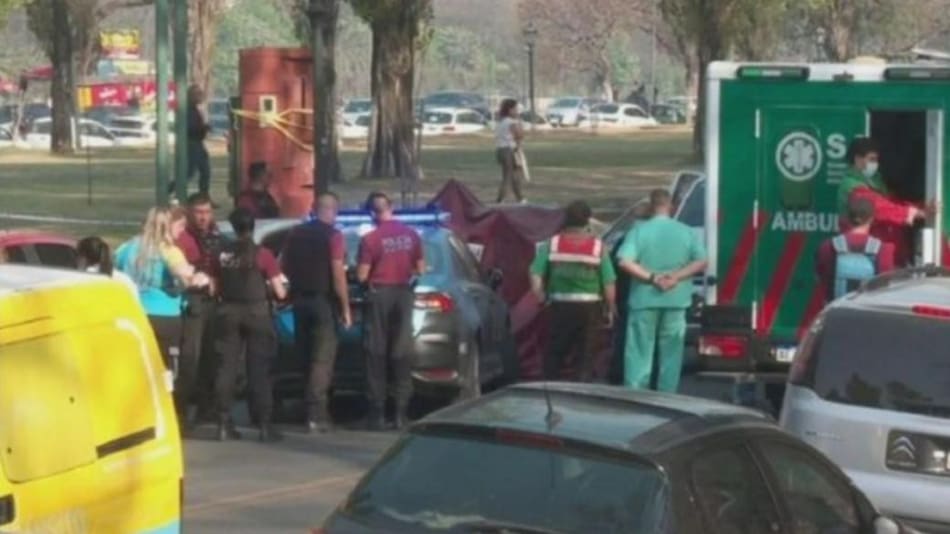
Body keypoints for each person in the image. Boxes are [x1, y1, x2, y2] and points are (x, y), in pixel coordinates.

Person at [616, 189, 707, 392]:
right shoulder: (686, 231)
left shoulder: (639, 231)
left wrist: (652, 277)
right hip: (676, 300)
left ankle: (636, 393)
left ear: (651, 206)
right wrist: (676, 277)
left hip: (644, 299)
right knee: (671, 353)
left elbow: (624, 261)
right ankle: (667, 394)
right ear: (671, 207)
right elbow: (701, 261)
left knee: (639, 351)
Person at [212, 208, 287, 442]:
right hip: (256, 313)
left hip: (227, 312)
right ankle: (264, 425)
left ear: (233, 228)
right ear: (252, 227)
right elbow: (280, 292)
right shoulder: (262, 255)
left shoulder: (221, 254)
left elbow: (214, 287)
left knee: (226, 368)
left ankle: (223, 422)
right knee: (259, 369)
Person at [282, 192, 352, 433]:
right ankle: (316, 414)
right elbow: (338, 274)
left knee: (305, 355)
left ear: (314, 208)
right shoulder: (334, 236)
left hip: (299, 302)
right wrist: (345, 308)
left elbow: (283, 264)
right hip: (323, 303)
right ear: (334, 210)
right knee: (322, 360)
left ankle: (307, 408)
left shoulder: (295, 233)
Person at [115, 207, 210, 385]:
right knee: (166, 369)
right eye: (179, 227)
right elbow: (184, 277)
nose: (182, 231)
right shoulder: (169, 251)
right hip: (165, 316)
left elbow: (113, 272)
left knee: (139, 367)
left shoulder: (127, 248)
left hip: (135, 314)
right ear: (167, 226)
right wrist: (198, 278)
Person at [357, 192, 425, 431]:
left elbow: (362, 275)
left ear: (371, 213)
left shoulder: (370, 240)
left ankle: (376, 415)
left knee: (376, 353)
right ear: (391, 207)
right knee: (401, 353)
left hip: (380, 295)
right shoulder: (412, 234)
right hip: (404, 294)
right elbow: (420, 268)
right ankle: (400, 414)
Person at [530, 200, 617, 382]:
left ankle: (551, 388)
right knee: (585, 355)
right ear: (587, 220)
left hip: (559, 305)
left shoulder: (552, 244)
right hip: (590, 308)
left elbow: (535, 272)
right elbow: (608, 282)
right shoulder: (597, 247)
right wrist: (610, 308)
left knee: (555, 352)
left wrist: (540, 295)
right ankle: (580, 390)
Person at [838, 137, 929, 267]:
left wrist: (921, 207)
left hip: (884, 251)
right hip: (865, 255)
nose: (875, 164)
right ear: (858, 159)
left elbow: (892, 203)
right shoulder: (852, 186)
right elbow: (880, 208)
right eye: (871, 159)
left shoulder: (875, 181)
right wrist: (914, 213)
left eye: (876, 160)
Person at [176, 192, 223, 427]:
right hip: (193, 301)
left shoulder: (216, 235)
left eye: (207, 212)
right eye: (199, 213)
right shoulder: (183, 238)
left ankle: (206, 408)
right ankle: (181, 411)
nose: (204, 217)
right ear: (189, 213)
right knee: (190, 357)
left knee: (210, 357)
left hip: (214, 302)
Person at [817, 197, 895, 301]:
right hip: (868, 312)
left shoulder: (828, 246)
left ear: (847, 218)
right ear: (872, 219)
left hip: (837, 310)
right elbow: (885, 284)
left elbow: (821, 278)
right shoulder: (884, 249)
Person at [169, 85, 211, 198]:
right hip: (191, 144)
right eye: (198, 94)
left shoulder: (195, 109)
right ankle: (168, 190)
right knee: (188, 173)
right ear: (190, 96)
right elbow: (188, 128)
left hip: (198, 143)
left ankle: (204, 196)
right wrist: (204, 128)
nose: (200, 96)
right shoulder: (187, 110)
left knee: (205, 171)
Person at [495, 98, 526, 204]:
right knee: (509, 176)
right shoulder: (511, 122)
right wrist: (519, 123)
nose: (517, 111)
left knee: (512, 175)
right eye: (515, 109)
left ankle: (520, 198)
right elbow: (519, 135)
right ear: (510, 110)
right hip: (509, 150)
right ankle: (501, 198)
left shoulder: (501, 121)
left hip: (501, 150)